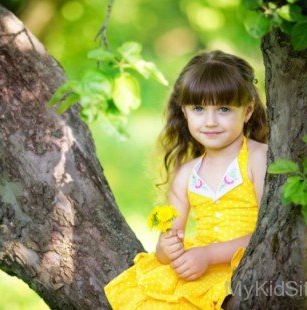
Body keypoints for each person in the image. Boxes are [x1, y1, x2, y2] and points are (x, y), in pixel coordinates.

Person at [103, 50, 269, 309]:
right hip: (199, 266)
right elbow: (168, 243)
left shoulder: (258, 158)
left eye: (224, 109)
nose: (210, 121)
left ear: (247, 111)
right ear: (185, 111)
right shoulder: (186, 175)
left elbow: (269, 233)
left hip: (244, 265)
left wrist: (209, 255)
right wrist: (166, 248)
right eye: (199, 109)